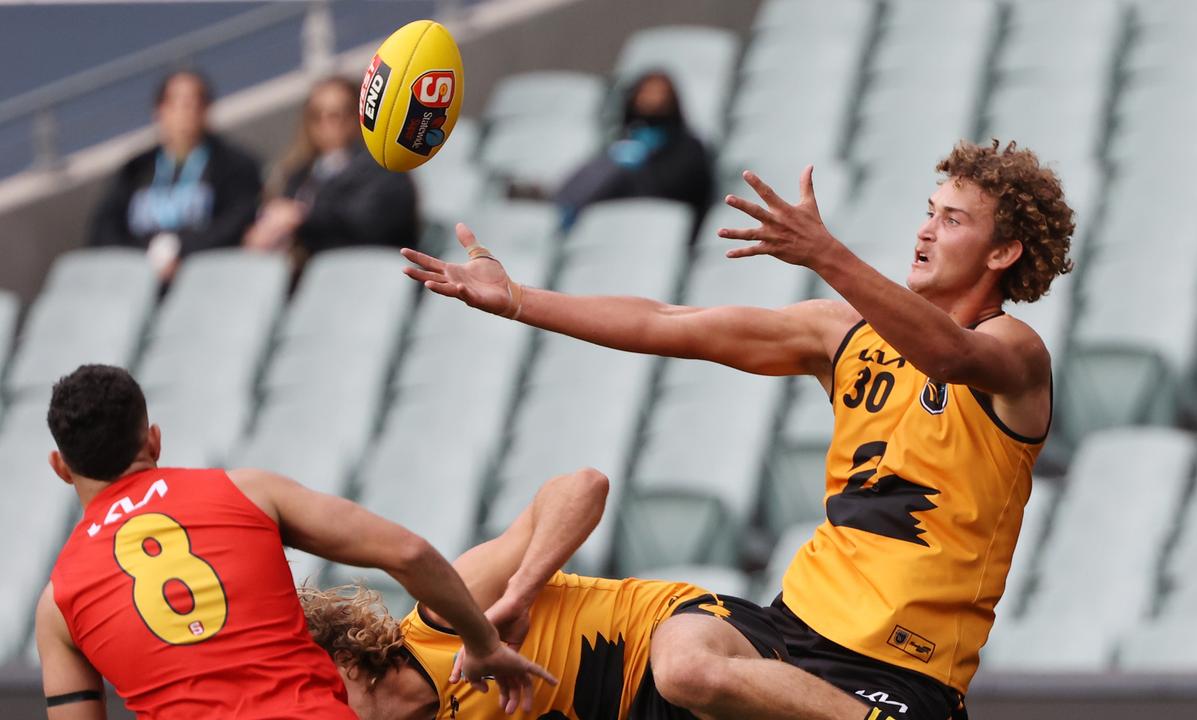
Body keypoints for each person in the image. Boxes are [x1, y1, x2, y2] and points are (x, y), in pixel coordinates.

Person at [401, 139, 1075, 719]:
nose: (925, 231)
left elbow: (949, 356)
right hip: (792, 633)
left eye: (952, 220)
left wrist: (826, 253)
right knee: (682, 658)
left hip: (905, 673)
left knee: (689, 673)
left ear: (1004, 251)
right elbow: (671, 324)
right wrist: (518, 300)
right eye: (929, 213)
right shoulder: (840, 333)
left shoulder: (1016, 353)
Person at [35, 365, 553, 719]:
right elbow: (408, 553)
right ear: (153, 439)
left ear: (61, 467)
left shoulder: (57, 605)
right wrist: (482, 643)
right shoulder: (247, 490)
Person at [302, 469, 871, 719]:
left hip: (669, 631)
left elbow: (582, 487)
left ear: (350, 663)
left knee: (687, 673)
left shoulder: (441, 620)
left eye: (314, 693)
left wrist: (518, 596)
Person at [87, 70, 262, 282]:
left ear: (206, 110)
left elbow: (236, 220)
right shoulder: (135, 169)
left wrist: (183, 252)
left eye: (194, 104)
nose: (185, 113)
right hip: (137, 279)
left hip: (205, 278)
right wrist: (144, 259)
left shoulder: (235, 165)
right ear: (159, 111)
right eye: (176, 104)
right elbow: (104, 229)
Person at [243, 76, 417, 271]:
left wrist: (302, 216)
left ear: (358, 115)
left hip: (366, 272)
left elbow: (369, 220)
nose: (328, 124)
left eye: (337, 114)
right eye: (317, 115)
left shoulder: (383, 165)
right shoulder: (298, 174)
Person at [554, 71, 713, 229]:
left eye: (660, 93)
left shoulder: (689, 146)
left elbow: (680, 189)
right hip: (613, 216)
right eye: (646, 92)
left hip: (660, 219)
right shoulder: (622, 142)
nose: (652, 99)